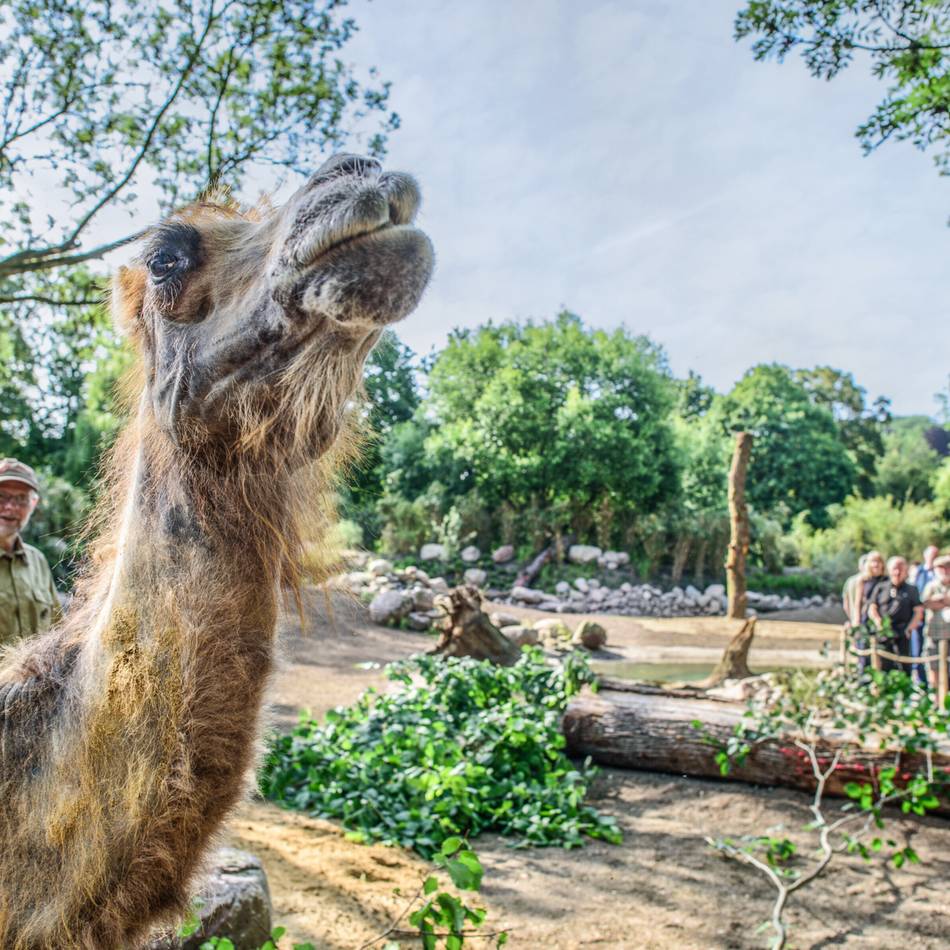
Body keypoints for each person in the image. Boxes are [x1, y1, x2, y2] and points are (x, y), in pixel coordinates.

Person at [0, 457, 60, 645]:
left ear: (32, 505)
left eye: (21, 499)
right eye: (1, 497)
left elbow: (58, 630)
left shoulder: (38, 561)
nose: (10, 507)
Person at [867, 556, 924, 674]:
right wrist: (878, 622)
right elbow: (872, 607)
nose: (897, 572)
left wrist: (910, 629)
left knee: (904, 667)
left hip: (902, 633)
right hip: (883, 631)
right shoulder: (881, 587)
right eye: (894, 569)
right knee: (883, 665)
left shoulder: (912, 589)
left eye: (900, 569)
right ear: (889, 569)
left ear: (905, 571)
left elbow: (918, 612)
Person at [909, 545, 940, 684]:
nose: (933, 557)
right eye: (931, 554)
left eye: (936, 555)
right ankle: (920, 681)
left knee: (933, 650)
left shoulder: (939, 572)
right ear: (925, 555)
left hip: (933, 618)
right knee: (917, 648)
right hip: (919, 615)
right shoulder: (918, 571)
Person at [922, 555, 950, 689]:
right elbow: (926, 603)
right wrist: (945, 601)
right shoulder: (931, 586)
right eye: (941, 567)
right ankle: (937, 702)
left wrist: (939, 600)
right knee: (933, 670)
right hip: (933, 635)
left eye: (948, 567)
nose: (945, 570)